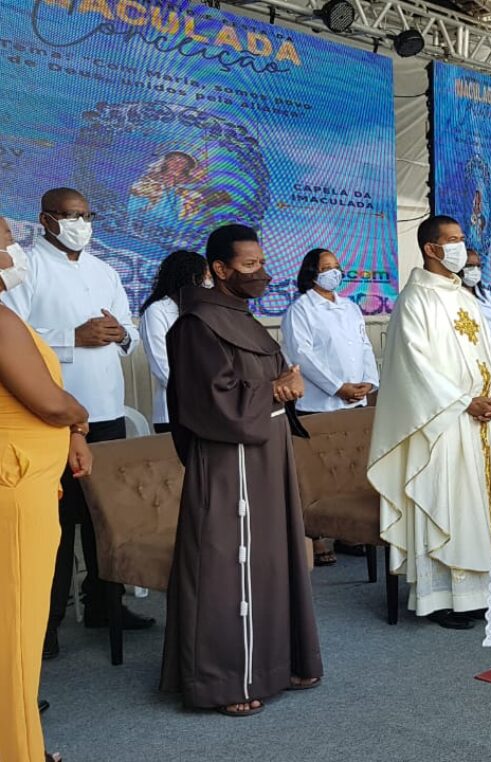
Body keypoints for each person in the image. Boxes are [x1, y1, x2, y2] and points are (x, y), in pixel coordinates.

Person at [160, 224, 323, 716]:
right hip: (229, 462)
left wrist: (282, 386)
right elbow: (207, 400)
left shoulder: (240, 317)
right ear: (219, 269)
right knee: (229, 565)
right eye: (249, 266)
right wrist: (274, 390)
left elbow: (262, 380)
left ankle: (279, 662)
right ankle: (226, 678)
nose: (261, 273)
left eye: (261, 262)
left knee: (271, 559)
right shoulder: (196, 326)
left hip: (265, 455)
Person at [1, 188, 152, 659]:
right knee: (58, 525)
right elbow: (15, 336)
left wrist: (118, 333)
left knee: (105, 517)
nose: (82, 224)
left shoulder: (105, 269)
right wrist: (73, 337)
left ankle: (105, 605)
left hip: (105, 409)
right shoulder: (25, 266)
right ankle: (45, 626)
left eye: (87, 215)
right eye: (71, 216)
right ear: (46, 219)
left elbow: (126, 330)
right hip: (51, 417)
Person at [368, 215, 491, 630]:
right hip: (443, 422)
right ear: (431, 248)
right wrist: (466, 400)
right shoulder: (416, 300)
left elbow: (488, 348)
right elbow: (415, 367)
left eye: (462, 239)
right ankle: (443, 596)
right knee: (448, 502)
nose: (460, 248)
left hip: (479, 421)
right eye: (452, 240)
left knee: (479, 507)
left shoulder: (465, 296)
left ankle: (479, 591)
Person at [0, 217, 92, 762]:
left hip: (25, 477)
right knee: (16, 629)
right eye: (7, 242)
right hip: (15, 490)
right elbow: (50, 402)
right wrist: (77, 417)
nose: (15, 252)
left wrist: (73, 434)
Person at [281, 248, 379, 415]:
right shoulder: (300, 309)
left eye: (336, 267)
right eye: (326, 268)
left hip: (357, 401)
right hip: (318, 406)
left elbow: (365, 347)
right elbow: (301, 355)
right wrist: (338, 388)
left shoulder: (350, 307)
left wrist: (369, 382)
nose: (334, 272)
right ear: (312, 274)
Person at [140, 250, 211, 434]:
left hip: (210, 411)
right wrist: (205, 389)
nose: (210, 283)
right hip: (174, 413)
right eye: (207, 277)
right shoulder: (156, 311)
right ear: (192, 279)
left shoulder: (203, 310)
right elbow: (162, 367)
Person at [460, 248, 491, 378]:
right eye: (470, 266)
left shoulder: (486, 296)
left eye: (478, 266)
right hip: (469, 364)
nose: (475, 270)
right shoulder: (452, 296)